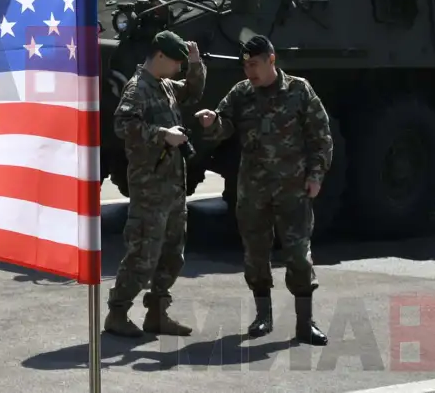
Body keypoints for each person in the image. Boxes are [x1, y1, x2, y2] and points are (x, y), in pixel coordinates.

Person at [194, 35, 332, 346]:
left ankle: (305, 324)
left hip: (292, 188)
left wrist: (316, 175)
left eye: (255, 65)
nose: (250, 72)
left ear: (272, 60)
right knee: (255, 254)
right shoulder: (241, 93)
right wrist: (211, 123)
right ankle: (263, 317)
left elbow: (321, 136)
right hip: (253, 189)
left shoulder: (299, 90)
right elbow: (223, 128)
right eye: (246, 66)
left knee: (298, 255)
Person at [104, 30, 205, 338]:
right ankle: (117, 313)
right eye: (176, 62)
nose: (178, 68)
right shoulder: (138, 88)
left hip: (172, 187)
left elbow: (192, 92)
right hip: (150, 189)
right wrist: (163, 134)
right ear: (159, 56)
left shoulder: (164, 85)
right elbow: (123, 125)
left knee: (172, 254)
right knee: (143, 255)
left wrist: (195, 63)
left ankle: (157, 313)